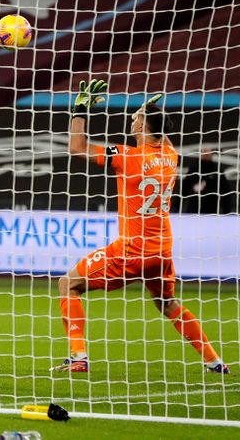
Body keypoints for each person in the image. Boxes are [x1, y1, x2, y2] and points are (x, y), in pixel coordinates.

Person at [55, 80, 229, 374]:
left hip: (131, 250)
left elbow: (77, 147)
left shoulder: (127, 157)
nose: (132, 119)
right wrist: (147, 110)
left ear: (143, 127)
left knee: (67, 284)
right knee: (168, 304)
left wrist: (80, 109)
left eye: (136, 118)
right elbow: (160, 134)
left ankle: (78, 356)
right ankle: (214, 361)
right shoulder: (170, 156)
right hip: (161, 251)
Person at [181, 148, 233, 214]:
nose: (206, 155)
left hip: (211, 209)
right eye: (204, 153)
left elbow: (225, 191)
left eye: (208, 154)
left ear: (211, 155)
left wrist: (226, 210)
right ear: (200, 155)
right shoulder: (193, 169)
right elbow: (184, 189)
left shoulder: (217, 170)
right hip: (193, 208)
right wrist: (176, 207)